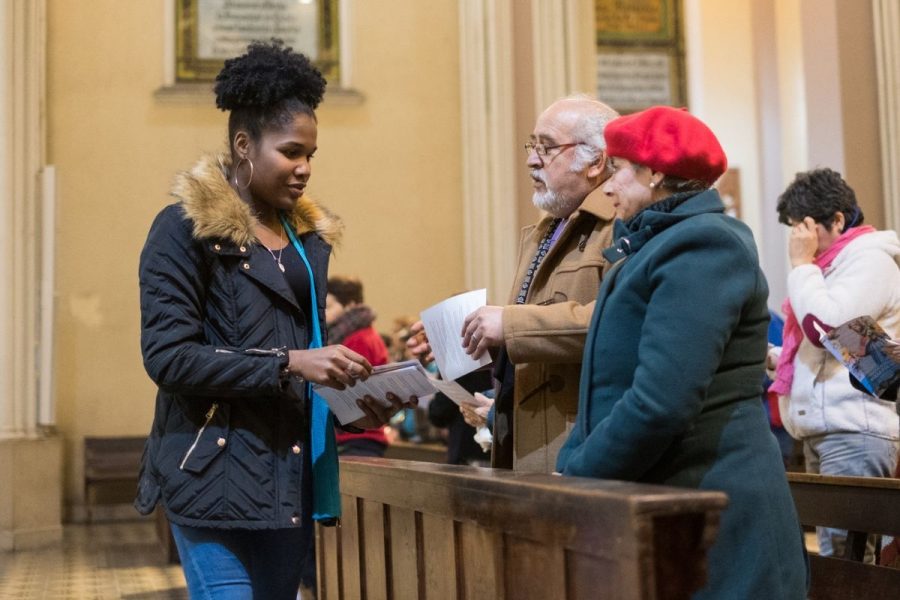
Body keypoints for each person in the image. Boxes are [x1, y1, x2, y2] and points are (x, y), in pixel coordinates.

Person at [135, 41, 408, 599]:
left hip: (288, 481)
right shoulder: (183, 231)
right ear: (244, 146)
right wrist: (292, 362)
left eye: (311, 154)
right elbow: (168, 357)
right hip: (211, 474)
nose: (304, 168)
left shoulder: (307, 245)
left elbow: (308, 366)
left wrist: (360, 396)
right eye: (290, 152)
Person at [556, 106, 808, 598]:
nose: (606, 188)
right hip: (679, 505)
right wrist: (571, 457)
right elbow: (612, 386)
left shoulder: (704, 246)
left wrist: (579, 473)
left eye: (618, 170)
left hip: (720, 510)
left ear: (654, 174)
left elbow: (661, 401)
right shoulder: (656, 245)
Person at [413, 95, 619, 473]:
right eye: (533, 145)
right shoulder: (545, 230)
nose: (532, 159)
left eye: (547, 147)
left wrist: (508, 323)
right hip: (525, 440)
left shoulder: (618, 225)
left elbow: (620, 321)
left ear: (596, 161)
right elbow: (529, 335)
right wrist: (459, 338)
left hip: (582, 444)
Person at [769, 167, 900, 560]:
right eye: (794, 229)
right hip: (826, 428)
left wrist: (801, 265)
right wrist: (772, 357)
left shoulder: (870, 261)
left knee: (848, 558)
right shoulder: (834, 266)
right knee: (834, 555)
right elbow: (835, 347)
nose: (800, 240)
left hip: (854, 428)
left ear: (838, 219)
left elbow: (825, 327)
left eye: (805, 228)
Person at [326, 275, 391, 457]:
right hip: (358, 434)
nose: (323, 313)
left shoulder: (357, 339)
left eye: (329, 306)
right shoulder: (362, 334)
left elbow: (348, 389)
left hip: (358, 434)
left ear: (351, 305)